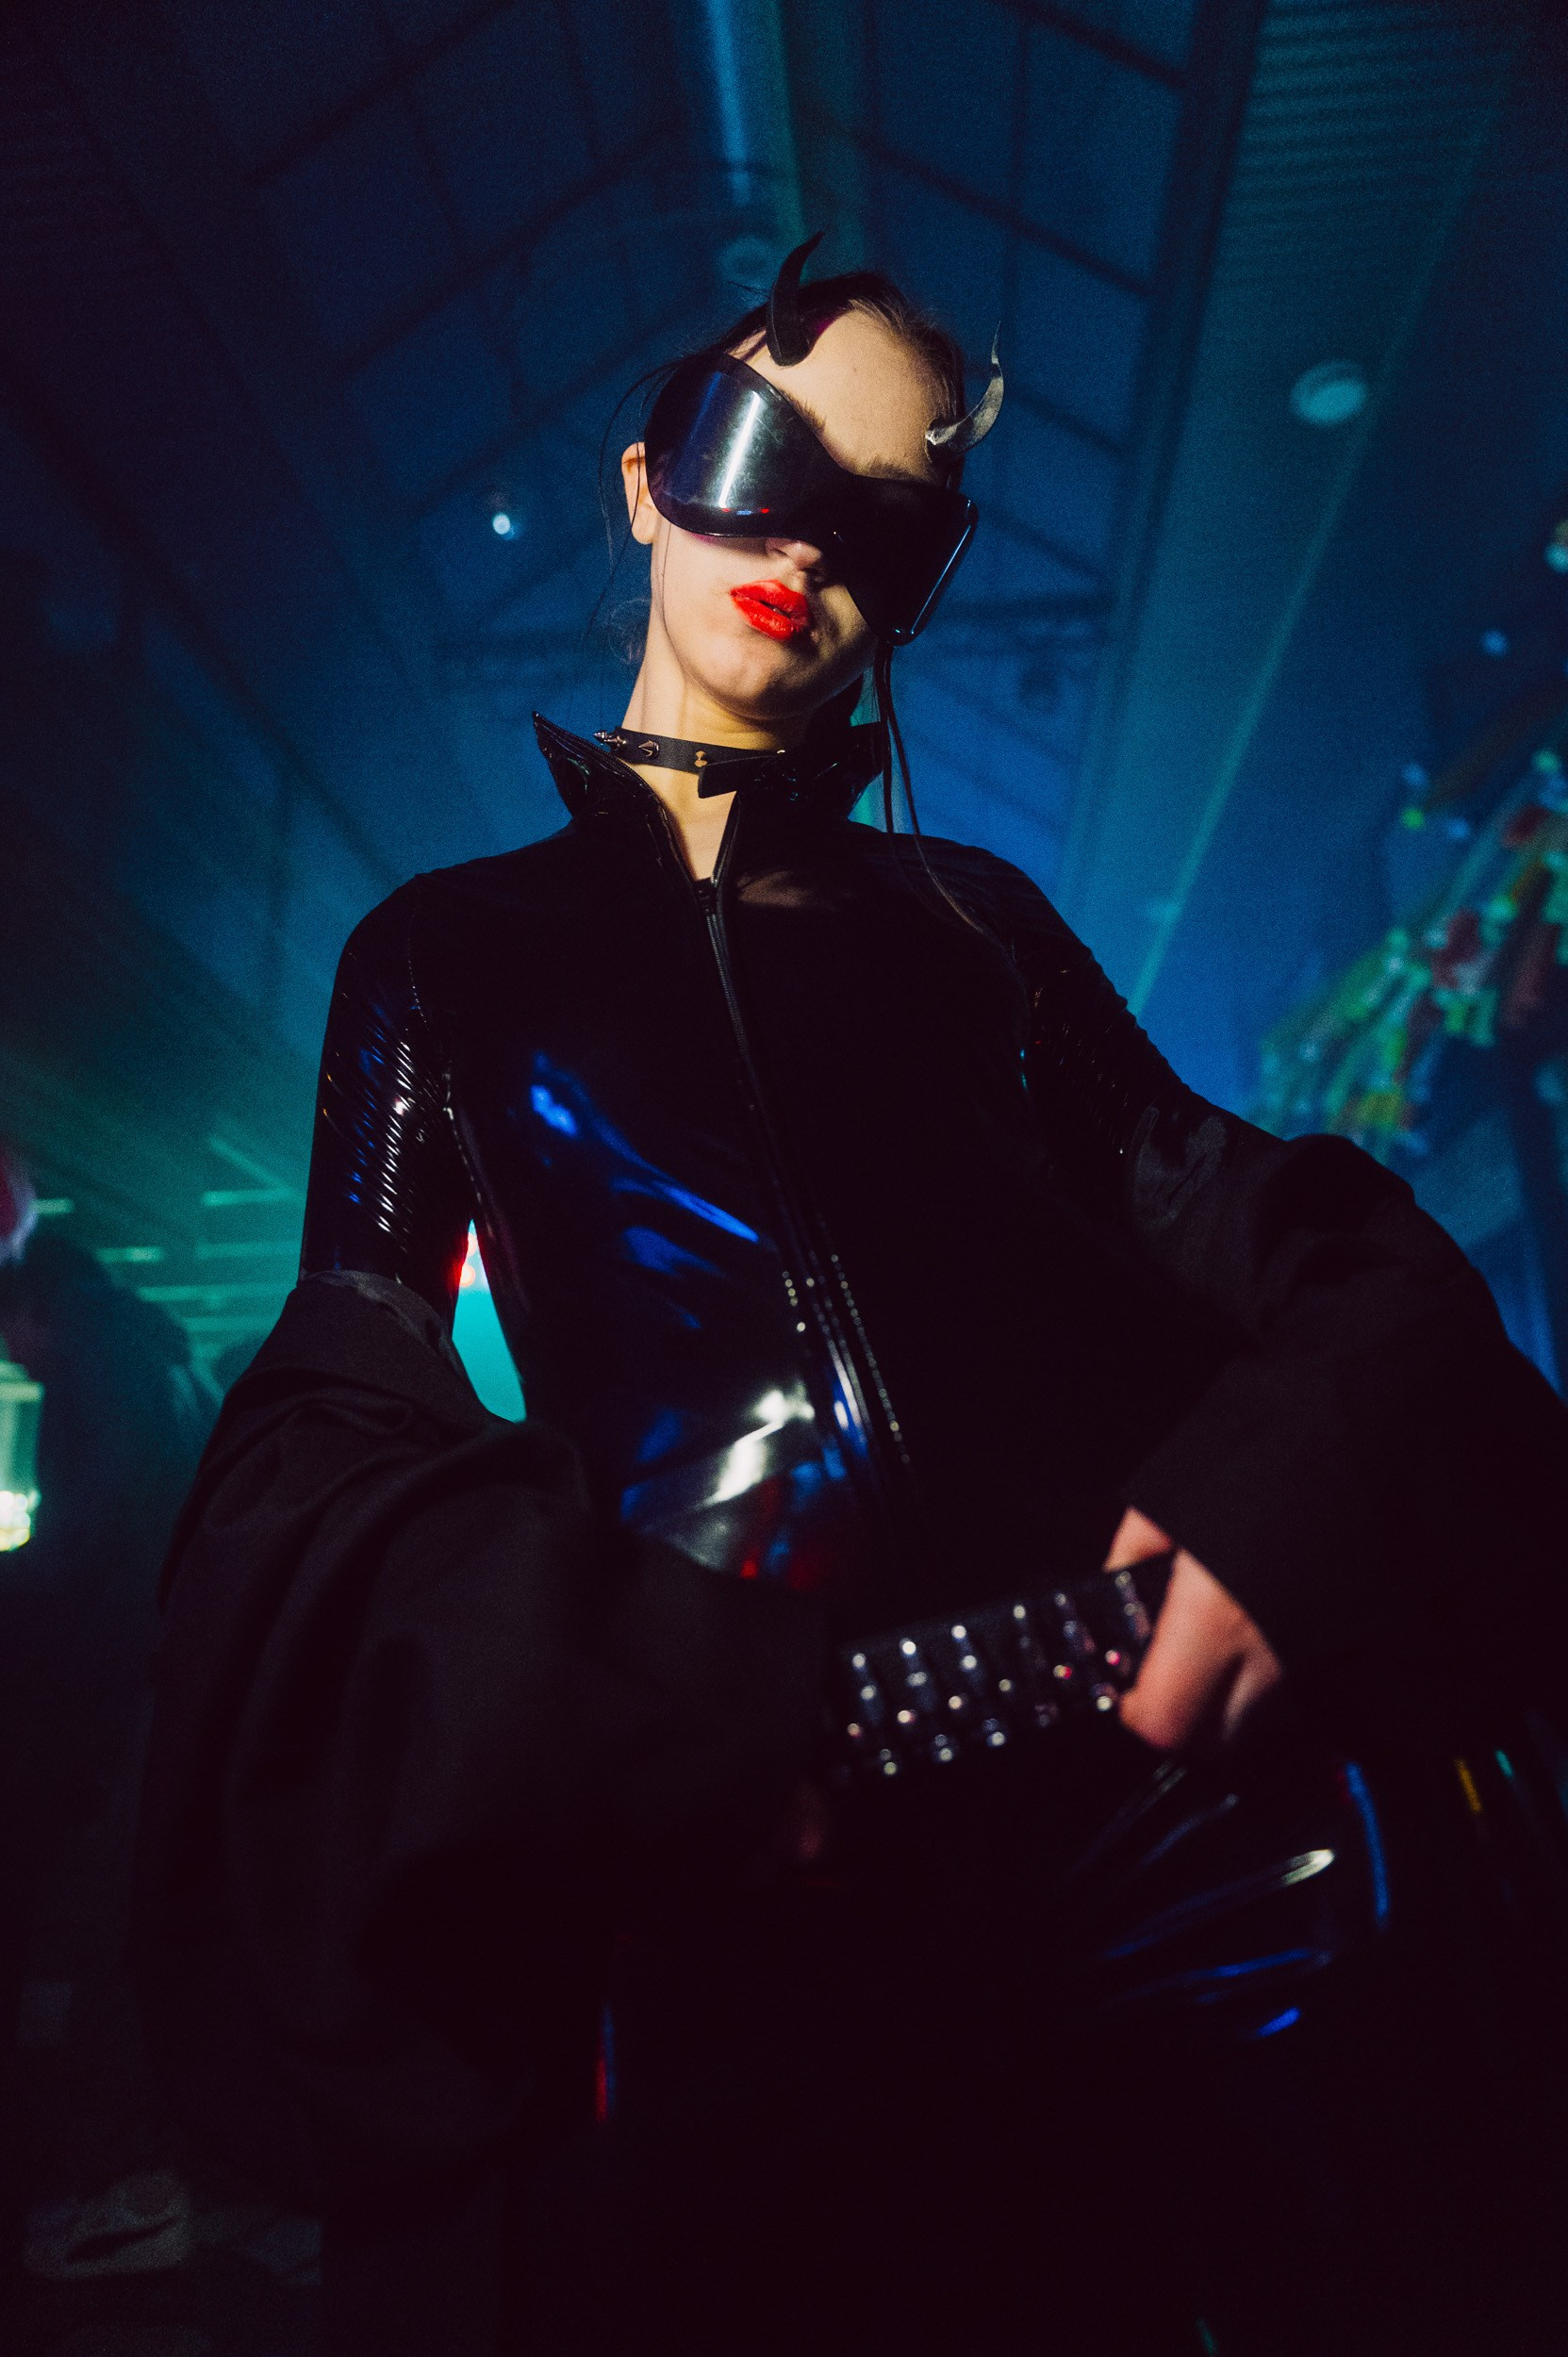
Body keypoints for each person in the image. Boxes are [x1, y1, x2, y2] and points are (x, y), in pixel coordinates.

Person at [133, 251, 1568, 2356]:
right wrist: (629, 1688)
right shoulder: (438, 955)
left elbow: (1309, 1244)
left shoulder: (978, 923)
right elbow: (335, 1407)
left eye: (886, 525)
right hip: (743, 1864)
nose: (804, 548)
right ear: (647, 479)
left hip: (1178, 1815)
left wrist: (1283, 1493)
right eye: (762, 456)